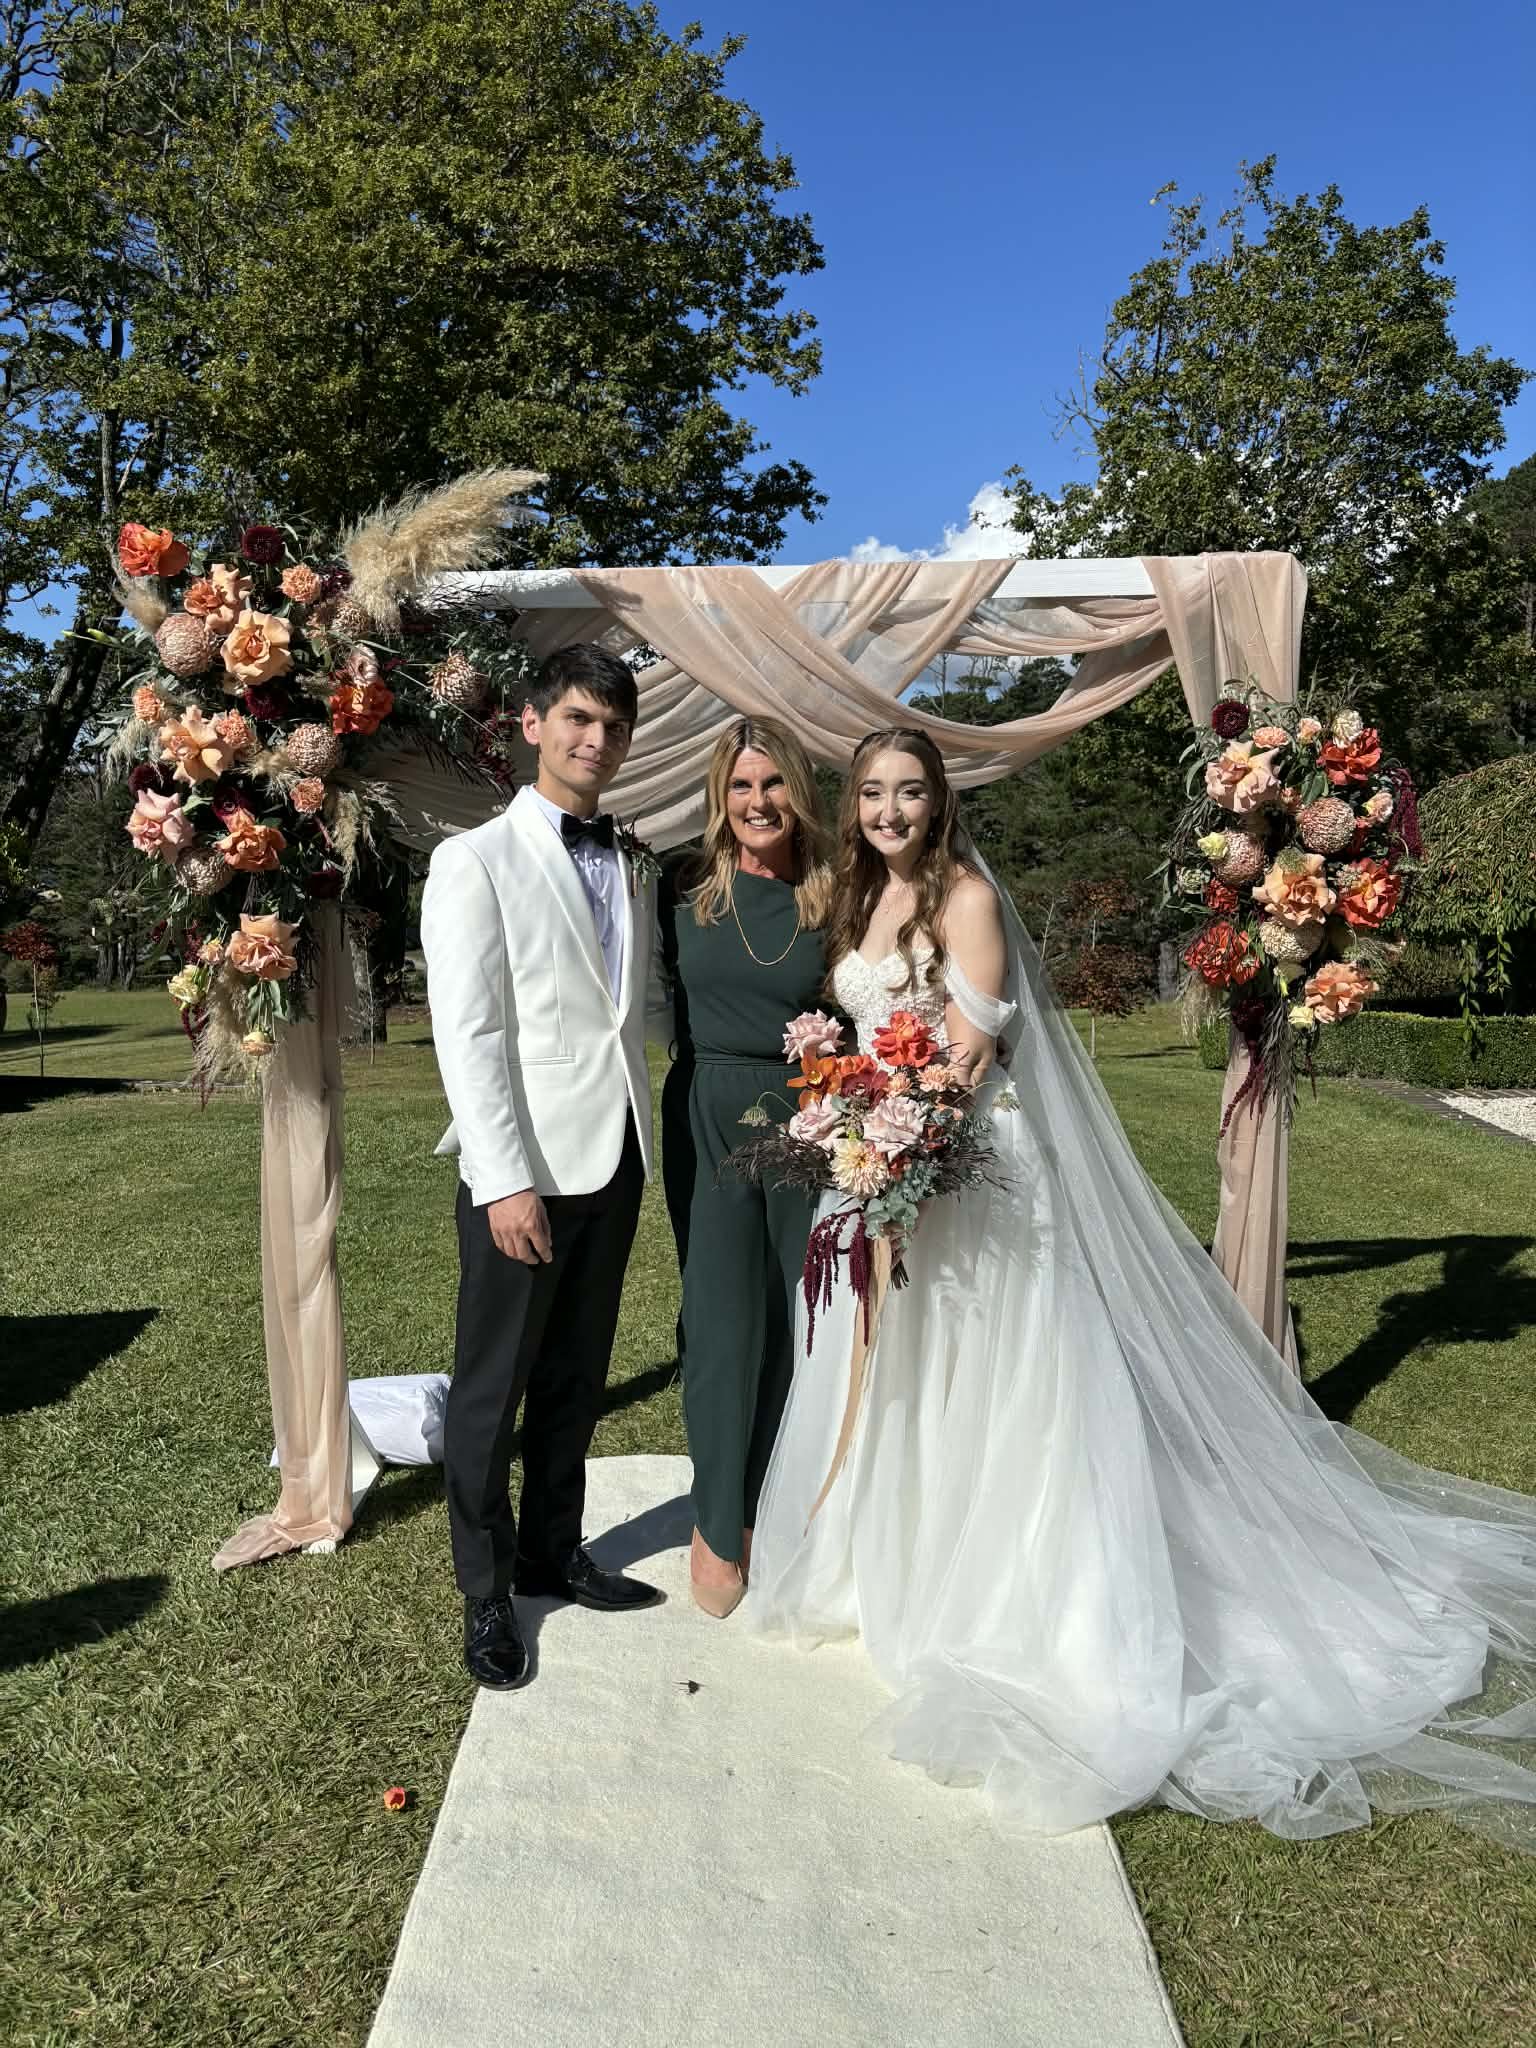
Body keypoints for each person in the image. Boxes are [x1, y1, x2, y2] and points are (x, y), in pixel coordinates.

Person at [747, 726, 1536, 1846]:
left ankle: (1015, 1598)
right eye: (872, 792)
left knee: (1000, 1390)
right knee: (902, 1385)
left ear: (939, 801)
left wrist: (902, 1151)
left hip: (967, 1175)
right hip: (882, 1169)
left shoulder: (965, 899)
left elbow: (969, 1062)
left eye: (908, 792)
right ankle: (885, 1568)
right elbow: (873, 1036)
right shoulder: (862, 896)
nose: (887, 809)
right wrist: (856, 1137)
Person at [421, 643, 670, 1690]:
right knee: (494, 1387)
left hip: (614, 1153)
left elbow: (625, 1014)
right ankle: (487, 1592)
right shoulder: (472, 860)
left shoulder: (635, 858)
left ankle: (551, 1548)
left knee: (576, 1377)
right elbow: (468, 1034)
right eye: (576, 718)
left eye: (611, 725)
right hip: (522, 1170)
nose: (594, 740)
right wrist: (502, 1177)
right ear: (532, 723)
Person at [657, 717, 834, 1618]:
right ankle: (717, 1520)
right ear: (719, 797)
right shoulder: (680, 884)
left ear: (799, 791)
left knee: (791, 1312)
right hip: (708, 1110)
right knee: (721, 1316)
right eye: (740, 786)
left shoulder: (835, 893)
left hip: (809, 1113)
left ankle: (772, 1497)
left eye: (772, 784)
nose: (757, 802)